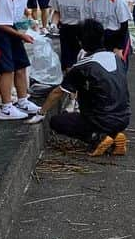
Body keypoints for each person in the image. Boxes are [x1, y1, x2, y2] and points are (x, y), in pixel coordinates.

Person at [37, 19, 130, 157]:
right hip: (124, 118)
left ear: (81, 42)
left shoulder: (83, 66)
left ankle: (98, 138)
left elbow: (58, 92)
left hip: (100, 120)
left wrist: (41, 112)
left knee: (57, 122)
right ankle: (114, 136)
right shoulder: (116, 59)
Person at [78, 0, 131, 69]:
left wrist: (119, 48)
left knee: (119, 69)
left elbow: (124, 25)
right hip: (101, 39)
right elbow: (88, 24)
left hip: (118, 36)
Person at [49, 0, 86, 71]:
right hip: (66, 29)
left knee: (82, 61)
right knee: (67, 62)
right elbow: (57, 12)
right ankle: (70, 83)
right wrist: (53, 24)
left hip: (82, 29)